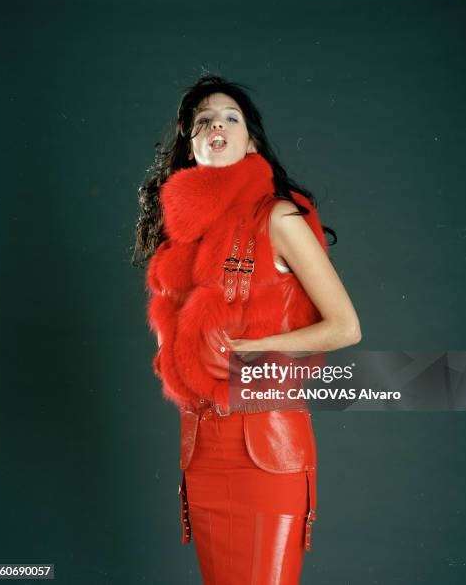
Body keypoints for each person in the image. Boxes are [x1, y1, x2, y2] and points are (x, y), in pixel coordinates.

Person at [133, 74, 362, 584]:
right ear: (191, 148)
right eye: (203, 121)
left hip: (266, 449)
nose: (216, 124)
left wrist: (260, 347)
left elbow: (345, 327)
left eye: (229, 118)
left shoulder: (278, 216)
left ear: (250, 140)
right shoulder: (182, 240)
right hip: (201, 450)